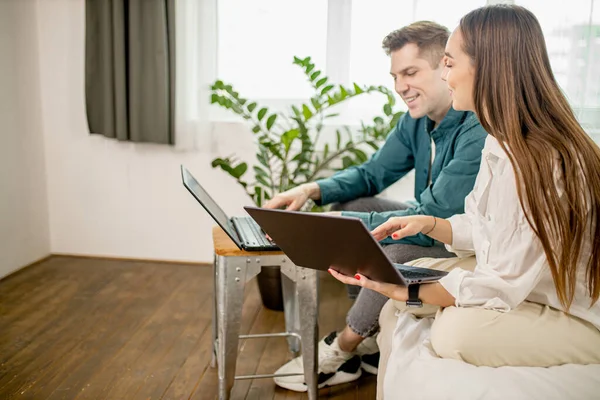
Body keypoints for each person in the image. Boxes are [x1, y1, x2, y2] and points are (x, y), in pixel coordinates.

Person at [328, 4, 600, 398]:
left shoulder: (540, 159)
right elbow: (486, 225)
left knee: (452, 332)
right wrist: (430, 225)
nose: (443, 75)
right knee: (408, 279)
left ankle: (349, 345)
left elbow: (501, 282)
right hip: (527, 284)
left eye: (449, 64)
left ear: (489, 67)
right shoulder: (501, 138)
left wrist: (413, 293)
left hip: (571, 313)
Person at [265, 21, 488, 391]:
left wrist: (341, 222)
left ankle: (345, 346)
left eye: (411, 72)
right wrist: (312, 189)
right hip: (431, 220)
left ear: (444, 69)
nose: (401, 86)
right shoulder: (415, 122)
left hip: (459, 236)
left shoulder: (475, 128)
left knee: (398, 248)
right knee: (359, 201)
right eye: (395, 76)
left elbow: (438, 212)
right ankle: (368, 339)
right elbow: (373, 173)